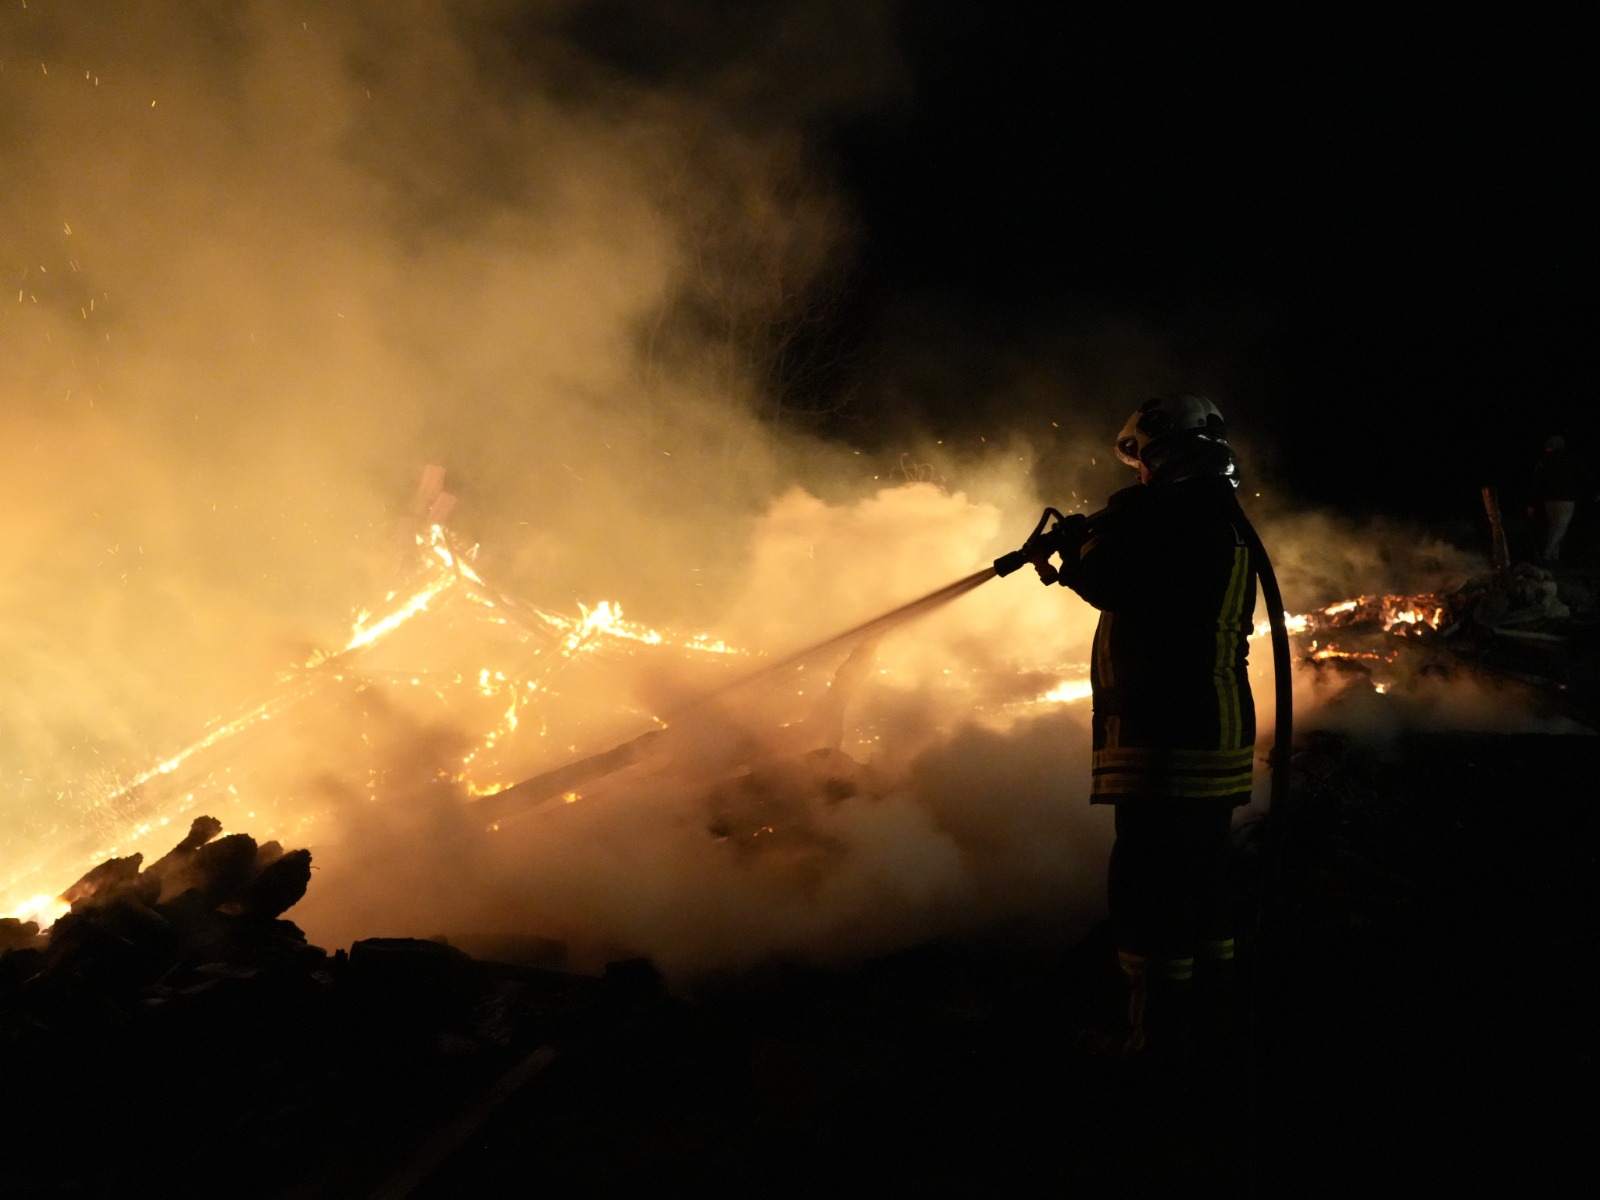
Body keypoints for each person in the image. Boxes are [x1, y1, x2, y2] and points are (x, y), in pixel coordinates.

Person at [1036, 395, 1258, 1060]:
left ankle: (1151, 1045)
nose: (1138, 476)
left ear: (1164, 450)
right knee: (1203, 881)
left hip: (1167, 734)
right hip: (1214, 733)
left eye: (1142, 461)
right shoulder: (1217, 516)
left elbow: (1110, 579)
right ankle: (1211, 1022)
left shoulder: (1174, 515)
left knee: (1147, 888)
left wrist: (1079, 545)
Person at [1530, 434, 1583, 565]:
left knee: (1555, 526)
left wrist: (1533, 502)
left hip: (1549, 500)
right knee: (1560, 528)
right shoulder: (1571, 460)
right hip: (1566, 499)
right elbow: (1581, 476)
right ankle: (1546, 556)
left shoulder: (1544, 461)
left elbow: (1537, 483)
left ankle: (1555, 558)